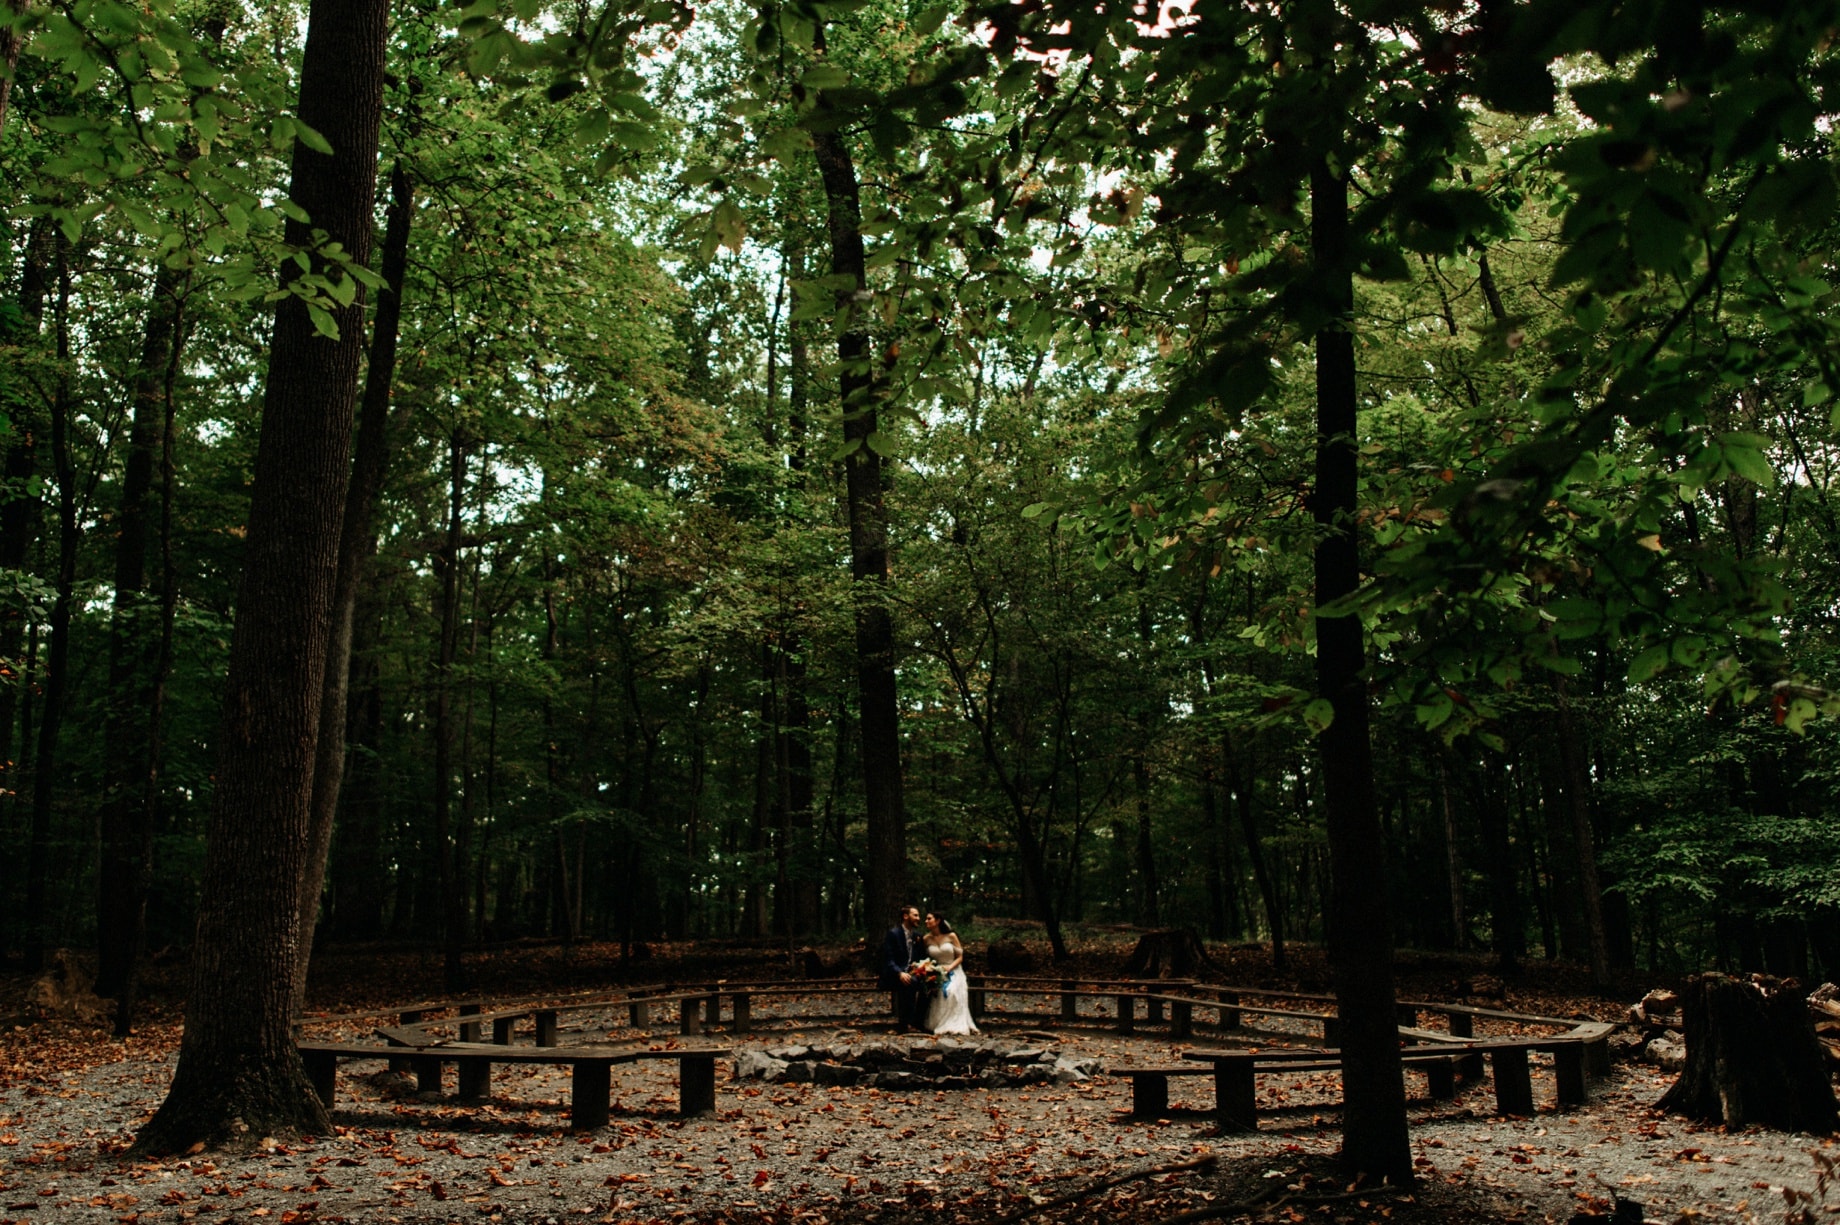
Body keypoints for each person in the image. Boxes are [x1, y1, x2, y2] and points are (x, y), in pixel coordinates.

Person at [921, 912, 978, 1035]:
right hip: (937, 971)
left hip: (954, 969)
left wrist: (949, 968)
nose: (926, 921)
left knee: (952, 991)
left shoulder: (951, 936)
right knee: (939, 991)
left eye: (929, 918)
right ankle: (938, 1022)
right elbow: (924, 957)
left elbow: (960, 957)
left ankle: (953, 1023)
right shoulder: (926, 939)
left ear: (937, 921)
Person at [876, 904, 923, 1031]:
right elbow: (888, 959)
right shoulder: (894, 934)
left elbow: (920, 958)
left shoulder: (917, 936)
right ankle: (905, 1024)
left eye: (918, 915)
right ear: (905, 916)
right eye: (915, 915)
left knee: (928, 984)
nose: (918, 918)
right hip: (893, 974)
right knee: (909, 982)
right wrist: (899, 973)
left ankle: (919, 1021)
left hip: (912, 973)